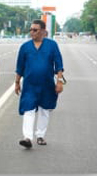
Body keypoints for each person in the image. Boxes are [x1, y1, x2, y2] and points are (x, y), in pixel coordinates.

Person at [14, 19, 64, 148]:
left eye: (35, 30)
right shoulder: (25, 47)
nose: (32, 32)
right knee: (28, 109)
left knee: (44, 110)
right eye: (30, 30)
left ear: (43, 31)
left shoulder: (52, 45)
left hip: (47, 84)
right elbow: (20, 67)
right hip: (30, 85)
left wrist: (59, 81)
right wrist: (17, 82)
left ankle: (40, 135)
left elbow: (59, 64)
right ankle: (27, 138)